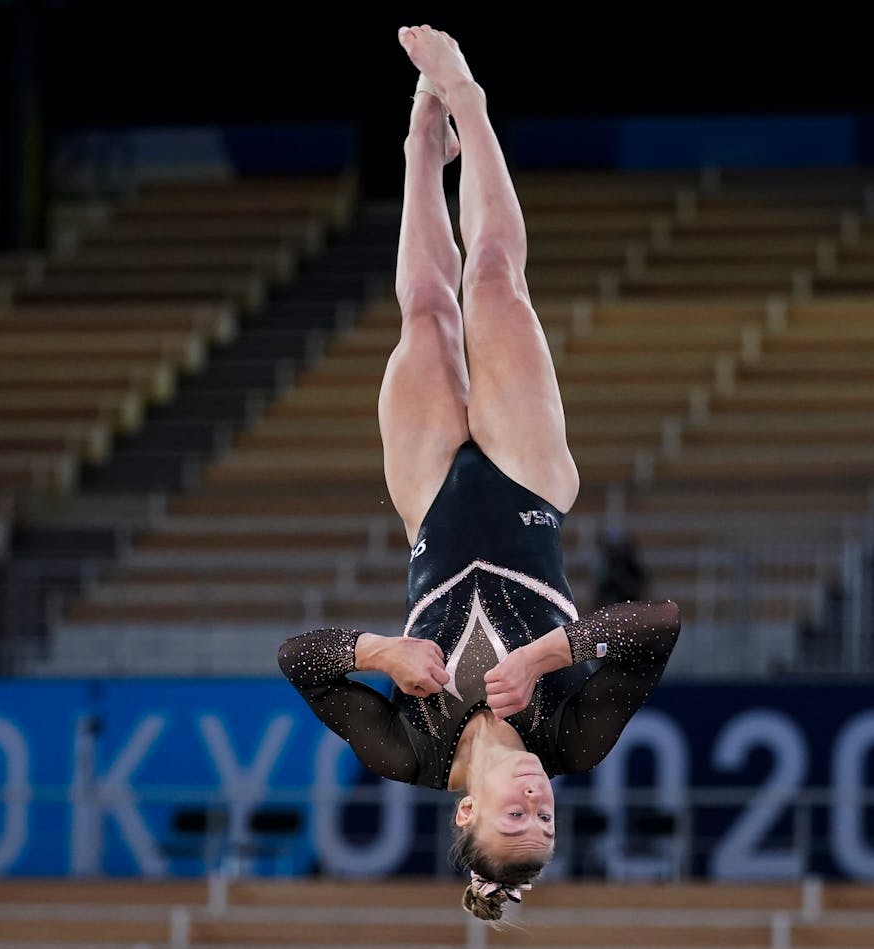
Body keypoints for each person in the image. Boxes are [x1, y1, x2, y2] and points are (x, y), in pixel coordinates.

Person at [277, 25, 681, 921]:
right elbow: (658, 624)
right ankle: (467, 99)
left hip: (428, 503)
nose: (540, 798)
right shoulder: (576, 737)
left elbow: (297, 661)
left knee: (425, 313)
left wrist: (376, 652)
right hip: (528, 483)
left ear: (467, 810)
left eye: (517, 814)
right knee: (495, 283)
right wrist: (546, 652)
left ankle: (423, 142)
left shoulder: (406, 752)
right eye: (547, 818)